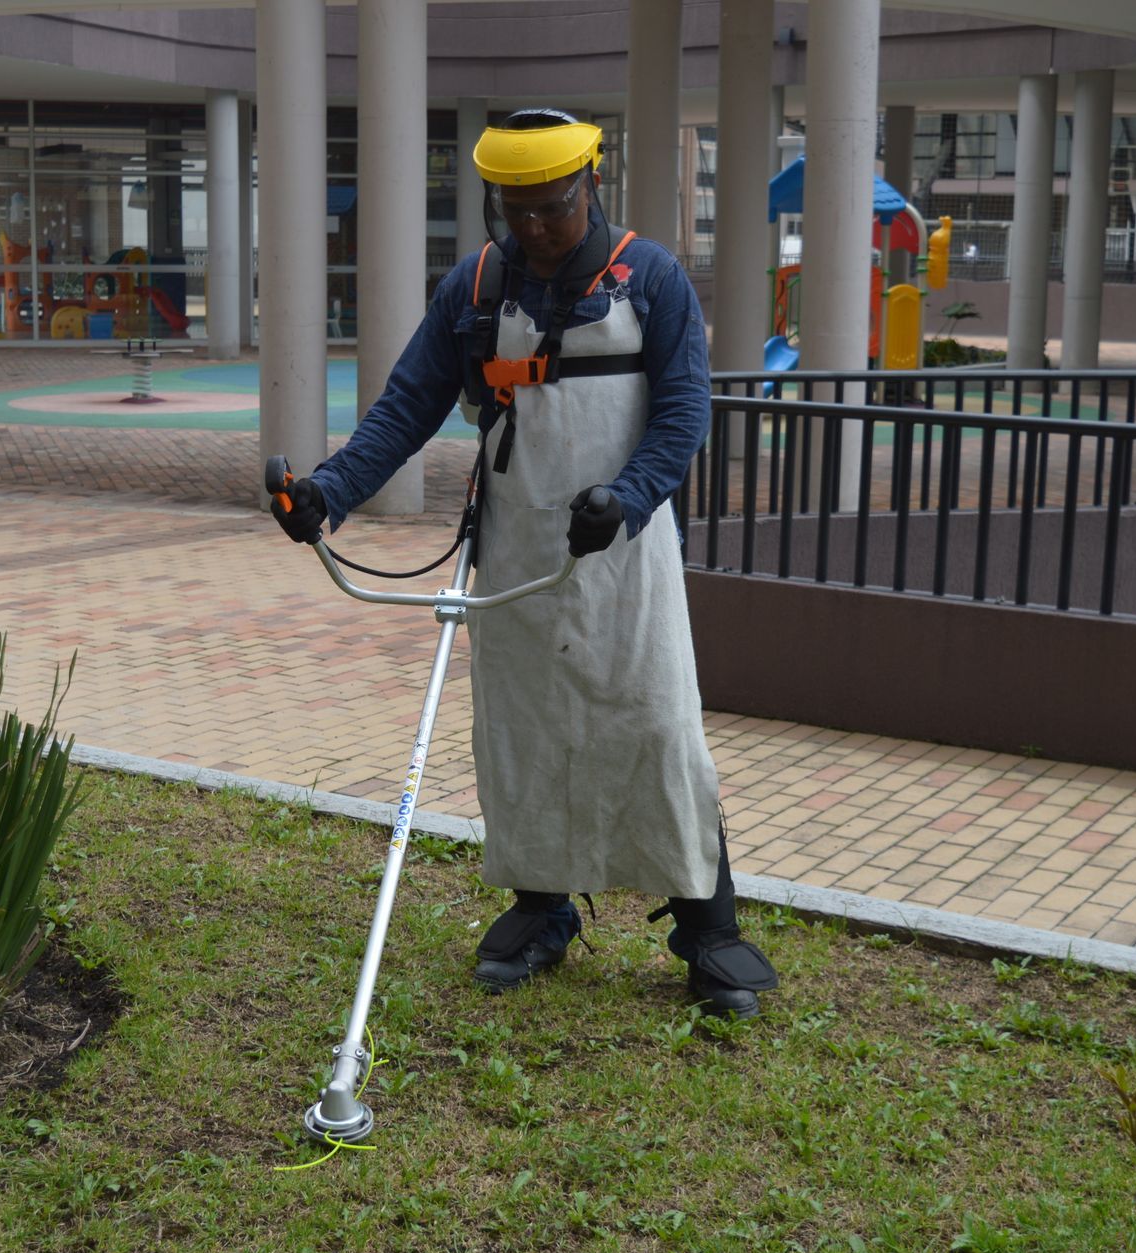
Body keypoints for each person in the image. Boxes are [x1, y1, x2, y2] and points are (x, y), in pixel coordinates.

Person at [270, 109, 776, 1018]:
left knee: (658, 724)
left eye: (552, 207)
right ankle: (541, 912)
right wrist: (330, 491)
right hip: (514, 546)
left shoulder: (652, 278)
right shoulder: (475, 287)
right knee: (525, 730)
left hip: (625, 546)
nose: (535, 227)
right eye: (518, 210)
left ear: (589, 186)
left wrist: (626, 498)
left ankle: (710, 927)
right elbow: (409, 403)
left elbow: (684, 414)